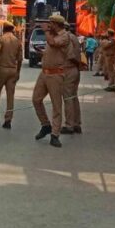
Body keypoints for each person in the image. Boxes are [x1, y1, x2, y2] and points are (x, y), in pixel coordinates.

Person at [32, 14, 69, 148]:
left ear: (56, 24)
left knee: (56, 105)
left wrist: (46, 31)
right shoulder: (52, 36)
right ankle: (45, 124)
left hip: (56, 75)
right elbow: (52, 50)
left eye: (50, 24)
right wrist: (42, 53)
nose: (48, 26)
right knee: (36, 99)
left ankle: (55, 134)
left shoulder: (64, 36)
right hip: (45, 73)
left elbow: (53, 44)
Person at [0, 22, 22, 129]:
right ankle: (8, 120)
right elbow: (20, 59)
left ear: (3, 29)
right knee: (10, 95)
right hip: (13, 70)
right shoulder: (17, 41)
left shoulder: (1, 39)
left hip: (2, 69)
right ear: (12, 30)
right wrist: (18, 72)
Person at [62, 24, 85, 135]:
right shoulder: (73, 37)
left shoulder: (66, 37)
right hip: (74, 69)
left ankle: (69, 125)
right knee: (73, 97)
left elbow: (70, 55)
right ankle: (76, 123)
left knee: (68, 97)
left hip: (69, 69)